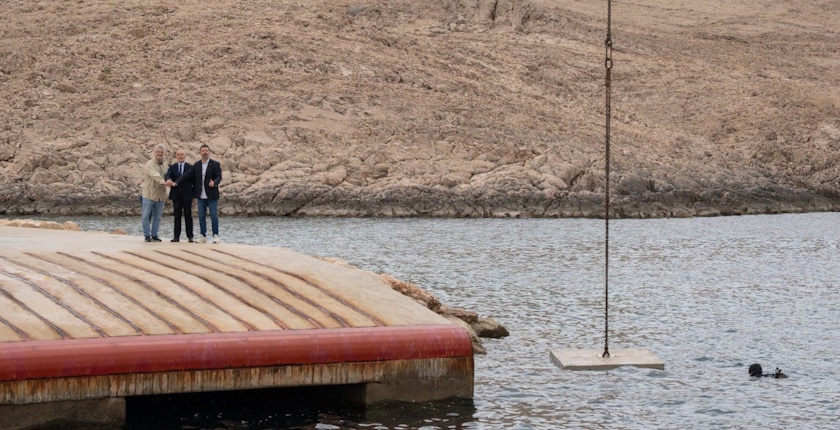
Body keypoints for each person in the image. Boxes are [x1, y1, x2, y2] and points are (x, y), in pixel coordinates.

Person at [174, 144, 222, 243]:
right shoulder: (197, 165)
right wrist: (177, 182)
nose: (205, 152)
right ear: (200, 153)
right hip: (201, 195)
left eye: (206, 151)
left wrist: (214, 182)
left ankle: (215, 235)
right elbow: (187, 175)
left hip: (211, 195)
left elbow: (219, 177)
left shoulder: (215, 164)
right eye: (203, 151)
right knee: (201, 216)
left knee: (213, 215)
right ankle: (202, 235)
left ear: (209, 152)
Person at [164, 149, 194, 242]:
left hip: (187, 195)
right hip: (176, 195)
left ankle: (190, 237)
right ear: (176, 156)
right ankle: (176, 237)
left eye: (182, 154)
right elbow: (168, 175)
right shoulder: (172, 167)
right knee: (177, 216)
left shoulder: (190, 167)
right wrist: (168, 180)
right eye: (178, 154)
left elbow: (194, 181)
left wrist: (194, 195)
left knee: (188, 216)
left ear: (185, 156)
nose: (180, 156)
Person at [141, 144, 168, 242]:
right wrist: (163, 182)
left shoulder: (165, 164)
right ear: (154, 153)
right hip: (149, 194)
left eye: (161, 152)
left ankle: (154, 234)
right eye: (158, 152)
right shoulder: (149, 164)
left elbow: (168, 175)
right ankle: (147, 235)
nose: (160, 154)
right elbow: (154, 175)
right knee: (146, 215)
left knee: (158, 217)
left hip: (161, 195)